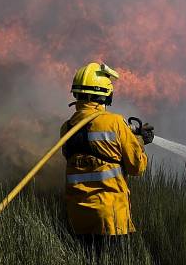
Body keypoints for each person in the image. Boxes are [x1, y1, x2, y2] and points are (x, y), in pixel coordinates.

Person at [61, 61, 153, 247]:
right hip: (110, 217)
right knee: (113, 264)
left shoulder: (67, 128)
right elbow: (137, 168)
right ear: (106, 95)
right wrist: (140, 141)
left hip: (78, 219)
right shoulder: (115, 123)